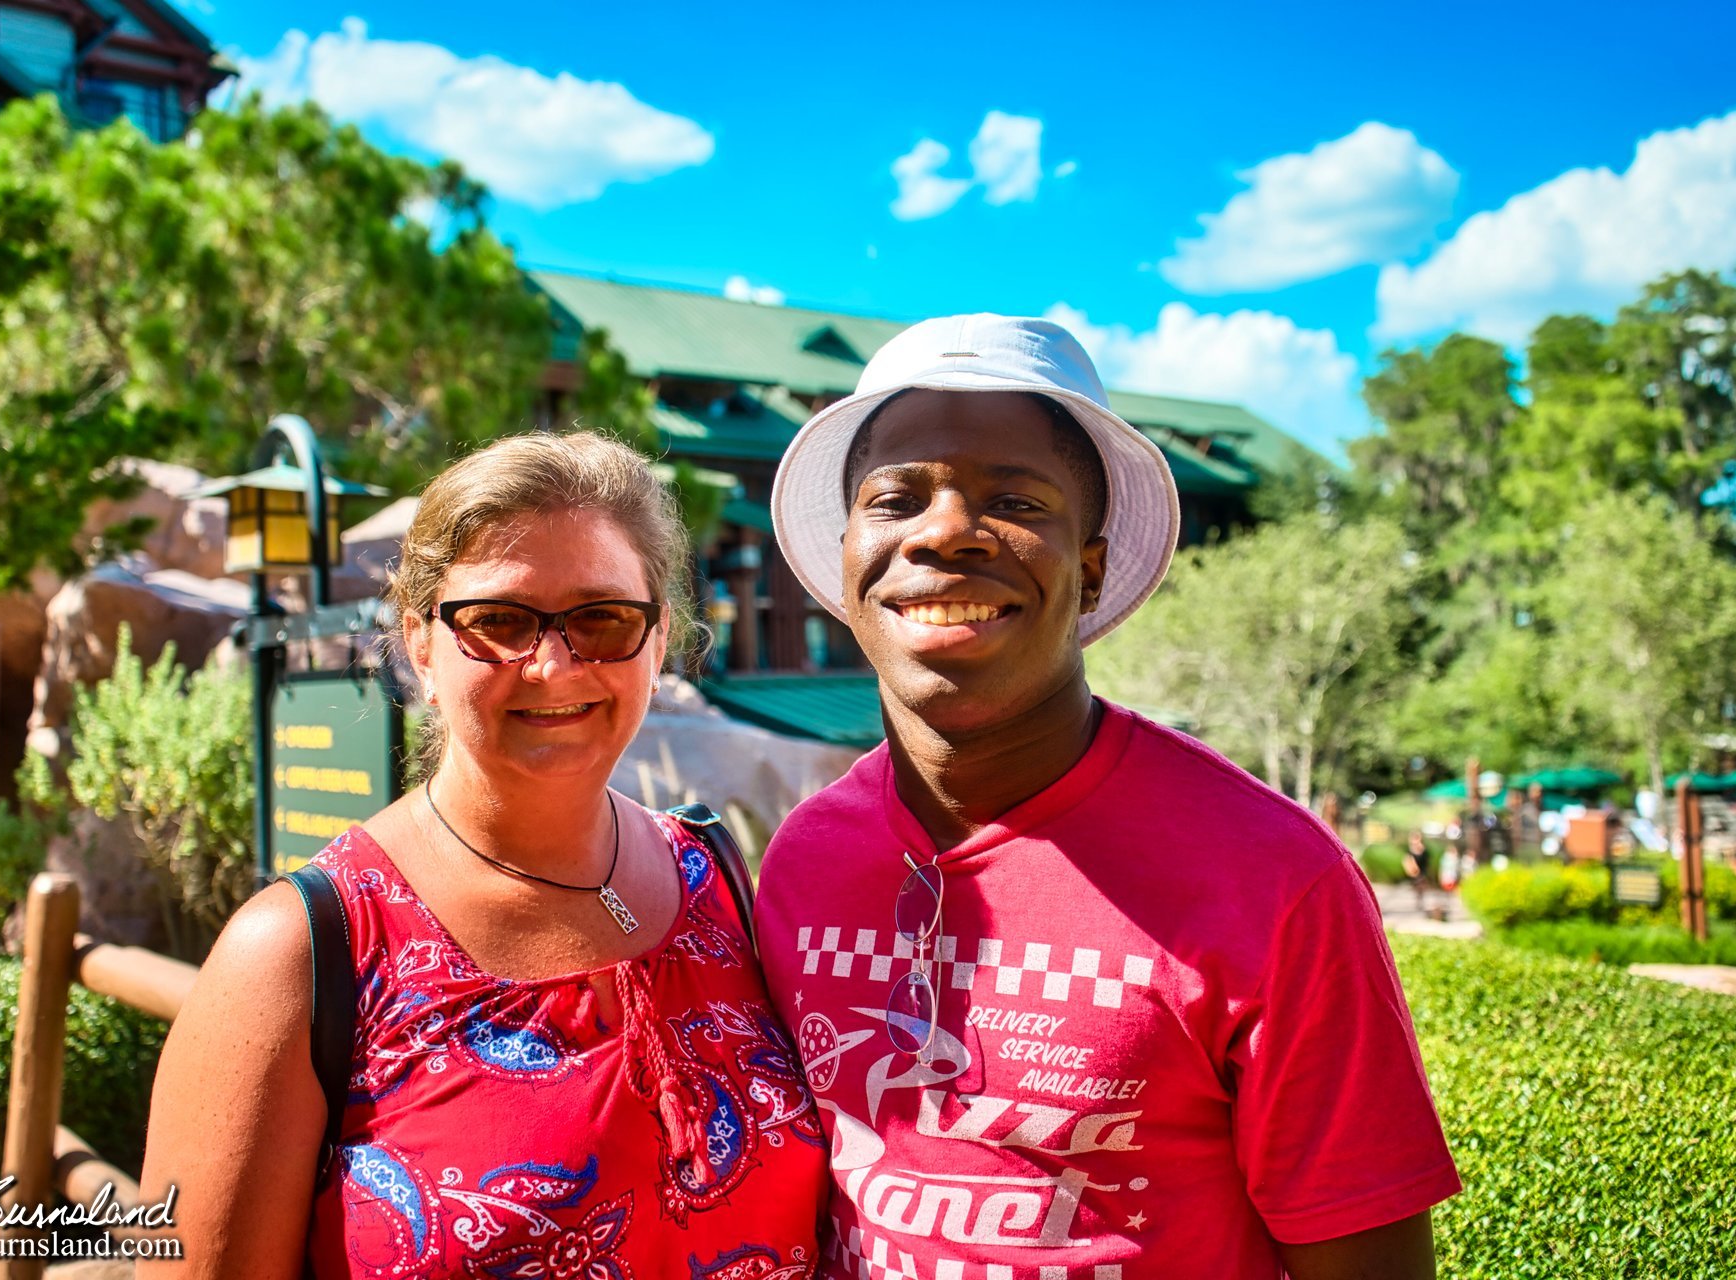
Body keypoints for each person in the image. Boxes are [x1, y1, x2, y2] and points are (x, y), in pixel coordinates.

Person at [755, 315, 1459, 1279]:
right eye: (895, 498)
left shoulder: (1273, 877)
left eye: (1014, 498)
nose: (947, 530)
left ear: (1089, 570)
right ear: (846, 558)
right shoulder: (804, 860)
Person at [142, 432, 826, 1278]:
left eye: (603, 619)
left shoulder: (715, 876)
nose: (551, 664)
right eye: (498, 621)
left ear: (658, 641)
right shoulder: (299, 955)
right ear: (421, 645)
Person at [1402, 830, 1433, 912]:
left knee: (1420, 886)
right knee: (1417, 887)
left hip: (1422, 871)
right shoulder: (1410, 850)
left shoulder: (1424, 850)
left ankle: (1420, 900)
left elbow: (1427, 862)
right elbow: (1407, 861)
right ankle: (1418, 899)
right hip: (1414, 873)